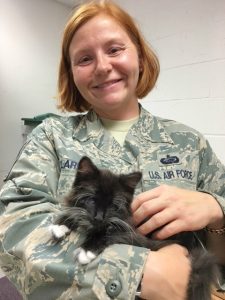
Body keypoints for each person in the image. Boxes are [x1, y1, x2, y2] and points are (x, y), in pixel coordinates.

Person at [0, 1, 224, 299]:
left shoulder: (190, 143)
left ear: (140, 57)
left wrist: (217, 210)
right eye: (84, 59)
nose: (103, 67)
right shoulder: (50, 138)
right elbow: (13, 231)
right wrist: (136, 271)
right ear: (72, 74)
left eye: (115, 49)